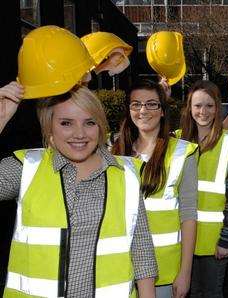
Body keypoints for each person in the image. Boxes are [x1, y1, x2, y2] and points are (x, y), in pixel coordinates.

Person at [0, 82, 157, 297]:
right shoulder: (26, 168)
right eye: (66, 123)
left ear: (100, 126)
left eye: (89, 123)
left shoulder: (126, 174)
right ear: (49, 126)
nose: (79, 134)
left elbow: (142, 250)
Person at [111, 79, 198, 298]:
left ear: (162, 111)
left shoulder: (182, 153)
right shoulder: (114, 152)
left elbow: (188, 215)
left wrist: (185, 272)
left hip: (164, 270)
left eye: (151, 104)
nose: (143, 110)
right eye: (136, 104)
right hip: (119, 266)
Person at [177, 80, 228, 298]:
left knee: (211, 293)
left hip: (214, 241)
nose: (203, 111)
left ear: (217, 108)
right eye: (197, 106)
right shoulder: (177, 140)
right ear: (189, 108)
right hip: (181, 238)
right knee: (192, 292)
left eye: (209, 106)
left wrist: (227, 239)